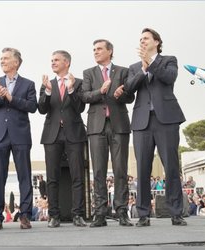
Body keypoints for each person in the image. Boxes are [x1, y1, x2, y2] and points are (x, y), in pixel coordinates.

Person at [124, 28, 187, 226]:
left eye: (146, 38)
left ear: (157, 42)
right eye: (140, 38)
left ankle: (176, 212)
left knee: (171, 166)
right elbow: (129, 88)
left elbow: (169, 78)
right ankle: (143, 214)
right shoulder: (134, 66)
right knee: (142, 168)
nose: (142, 41)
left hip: (166, 119)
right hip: (142, 121)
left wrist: (150, 63)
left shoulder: (169, 60)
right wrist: (143, 69)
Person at [81, 39, 135, 227]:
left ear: (110, 51)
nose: (95, 52)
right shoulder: (89, 73)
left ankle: (122, 212)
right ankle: (100, 213)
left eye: (99, 49)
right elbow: (84, 96)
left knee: (120, 170)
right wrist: (100, 91)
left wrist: (122, 94)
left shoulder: (123, 71)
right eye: (94, 49)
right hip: (96, 127)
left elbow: (131, 96)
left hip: (119, 125)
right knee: (98, 171)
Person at [0, 47, 37, 231]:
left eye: (6, 58)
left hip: (20, 134)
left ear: (16, 62)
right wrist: (0, 98)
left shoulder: (28, 84)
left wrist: (11, 97)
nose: (2, 61)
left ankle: (25, 215)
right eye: (1, 58)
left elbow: (32, 106)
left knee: (24, 175)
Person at [38, 50, 87, 228]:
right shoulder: (47, 84)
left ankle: (78, 215)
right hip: (52, 134)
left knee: (77, 176)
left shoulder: (79, 83)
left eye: (56, 60)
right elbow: (42, 109)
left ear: (66, 62)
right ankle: (54, 216)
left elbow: (80, 107)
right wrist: (49, 93)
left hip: (74, 132)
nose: (53, 63)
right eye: (51, 60)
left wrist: (72, 89)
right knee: (52, 177)